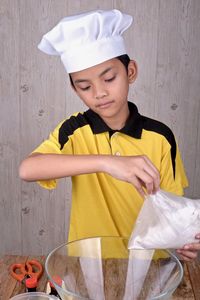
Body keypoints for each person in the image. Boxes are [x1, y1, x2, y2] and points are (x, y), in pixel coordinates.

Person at [19, 9, 200, 262]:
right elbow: (28, 169)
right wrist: (108, 162)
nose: (100, 93)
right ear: (75, 89)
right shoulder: (74, 132)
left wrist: (184, 239)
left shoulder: (160, 137)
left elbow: (173, 209)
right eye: (85, 86)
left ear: (131, 72)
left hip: (150, 264)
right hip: (88, 264)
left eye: (109, 78)